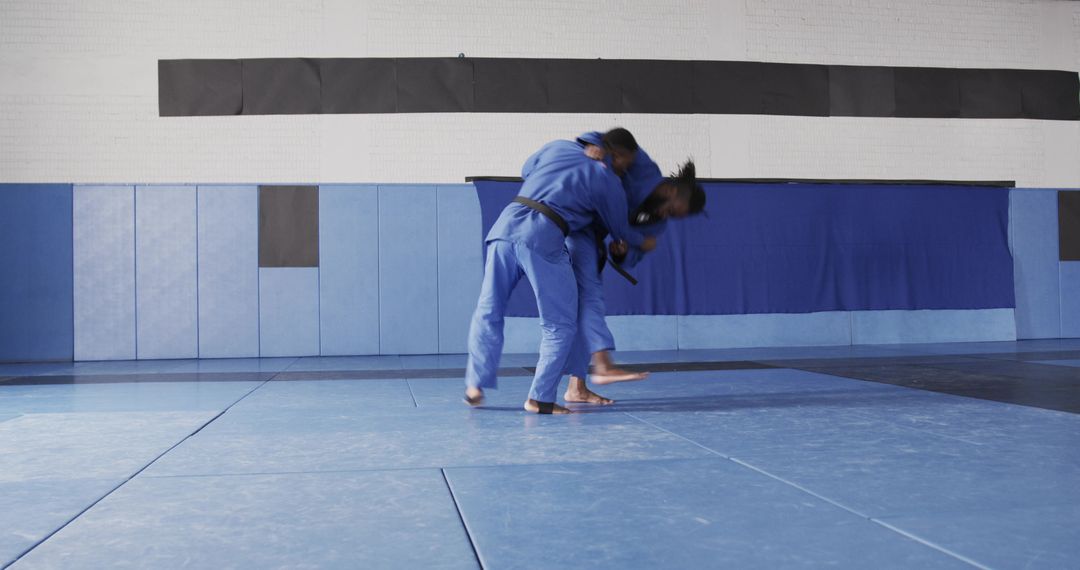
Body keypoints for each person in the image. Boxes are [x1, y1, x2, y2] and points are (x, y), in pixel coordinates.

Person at [464, 137, 656, 414]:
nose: (625, 169)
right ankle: (539, 398)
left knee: (488, 309)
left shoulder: (557, 146)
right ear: (619, 154)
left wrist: (555, 180)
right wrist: (637, 242)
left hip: (505, 226)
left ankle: (474, 385)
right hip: (542, 236)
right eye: (627, 162)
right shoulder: (605, 176)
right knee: (561, 324)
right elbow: (620, 229)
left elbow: (526, 170)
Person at [561, 129, 707, 406]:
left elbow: (633, 257)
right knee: (587, 300)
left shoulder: (657, 223)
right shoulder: (644, 166)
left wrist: (625, 252)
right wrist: (595, 145)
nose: (667, 216)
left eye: (674, 217)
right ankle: (600, 365)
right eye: (672, 209)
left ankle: (577, 387)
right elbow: (613, 138)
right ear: (674, 191)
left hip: (593, 240)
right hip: (577, 224)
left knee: (585, 304)